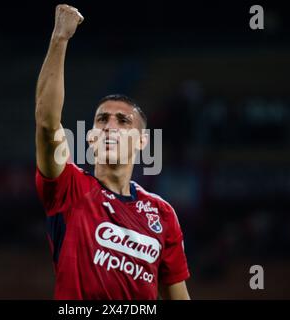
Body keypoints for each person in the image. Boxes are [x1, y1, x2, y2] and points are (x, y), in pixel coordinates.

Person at [35, 4, 190, 300]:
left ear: (143, 141)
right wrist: (60, 39)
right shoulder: (70, 187)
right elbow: (46, 122)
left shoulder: (162, 214)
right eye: (101, 120)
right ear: (91, 138)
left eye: (123, 121)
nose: (110, 126)